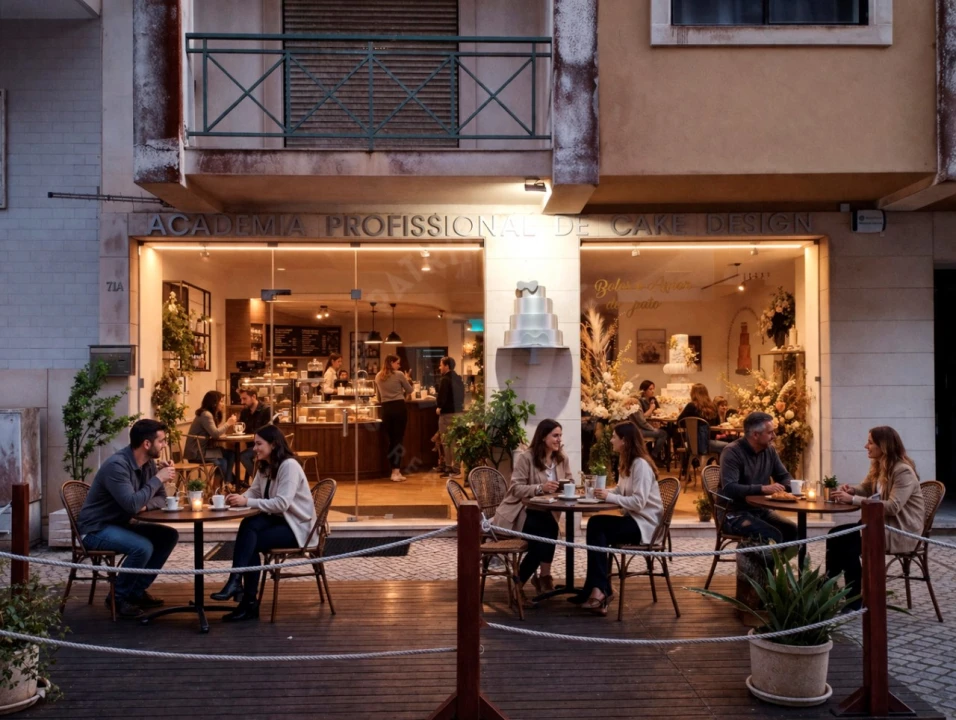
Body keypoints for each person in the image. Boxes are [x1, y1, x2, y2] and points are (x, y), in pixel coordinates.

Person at [211, 425, 317, 622]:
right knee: (249, 526)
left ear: (274, 444)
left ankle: (243, 595)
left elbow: (282, 503)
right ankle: (240, 590)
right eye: (254, 444)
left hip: (297, 527)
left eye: (259, 444)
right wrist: (238, 498)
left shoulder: (289, 466)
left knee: (249, 539)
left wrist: (247, 502)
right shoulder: (264, 466)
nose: (254, 448)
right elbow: (255, 492)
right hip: (278, 522)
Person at [76, 419, 179, 619]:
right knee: (142, 547)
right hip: (96, 528)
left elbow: (162, 498)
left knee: (168, 536)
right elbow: (132, 505)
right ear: (147, 444)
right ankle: (118, 597)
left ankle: (136, 592)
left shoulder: (147, 464)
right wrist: (158, 478)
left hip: (120, 524)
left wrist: (144, 502)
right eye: (162, 441)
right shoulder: (117, 466)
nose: (164, 445)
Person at [826, 427, 925, 611]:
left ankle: (852, 599)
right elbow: (866, 487)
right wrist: (852, 491)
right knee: (835, 534)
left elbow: (894, 507)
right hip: (878, 525)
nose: (866, 446)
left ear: (883, 446)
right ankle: (828, 589)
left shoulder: (902, 471)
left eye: (870, 442)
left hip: (899, 531)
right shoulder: (880, 465)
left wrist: (853, 499)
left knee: (847, 543)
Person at [577, 422, 663, 616]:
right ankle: (597, 589)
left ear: (624, 441)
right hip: (635, 520)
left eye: (614, 437)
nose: (611, 440)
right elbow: (621, 491)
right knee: (597, 525)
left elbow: (639, 502)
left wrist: (609, 497)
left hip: (644, 525)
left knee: (597, 525)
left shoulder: (640, 464)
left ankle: (598, 590)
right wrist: (604, 492)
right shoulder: (629, 462)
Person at [492, 419, 572, 606]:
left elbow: (570, 479)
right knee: (543, 538)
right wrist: (539, 488)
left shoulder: (561, 458)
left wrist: (566, 486)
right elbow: (516, 488)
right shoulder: (526, 458)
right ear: (543, 436)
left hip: (548, 511)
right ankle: (524, 583)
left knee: (549, 529)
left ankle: (539, 579)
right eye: (555, 435)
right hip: (523, 511)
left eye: (560, 435)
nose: (559, 440)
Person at [717, 411, 797, 544]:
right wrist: (763, 489)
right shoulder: (732, 452)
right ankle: (755, 563)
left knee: (791, 530)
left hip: (760, 510)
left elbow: (784, 476)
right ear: (755, 435)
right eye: (770, 432)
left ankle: (776, 564)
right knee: (772, 535)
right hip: (733, 514)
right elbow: (730, 488)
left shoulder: (769, 451)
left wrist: (787, 488)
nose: (774, 436)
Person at [184, 390, 237, 487]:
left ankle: (228, 482)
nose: (223, 404)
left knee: (231, 454)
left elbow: (213, 433)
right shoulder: (206, 415)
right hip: (197, 452)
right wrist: (228, 423)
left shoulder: (210, 414)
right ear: (213, 403)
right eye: (221, 401)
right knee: (222, 462)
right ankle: (216, 489)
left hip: (205, 450)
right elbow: (216, 434)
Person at [375, 354, 413, 482]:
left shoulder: (378, 376)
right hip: (398, 408)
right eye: (397, 363)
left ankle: (391, 469)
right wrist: (408, 379)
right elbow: (410, 390)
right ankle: (395, 471)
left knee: (391, 440)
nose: (399, 365)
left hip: (386, 409)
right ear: (391, 363)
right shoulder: (399, 375)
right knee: (398, 439)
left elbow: (379, 397)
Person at [435, 356, 464, 476]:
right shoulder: (459, 379)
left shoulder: (445, 379)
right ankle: (456, 468)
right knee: (456, 441)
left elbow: (443, 395)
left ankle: (448, 467)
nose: (439, 367)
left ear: (446, 366)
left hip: (447, 414)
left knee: (446, 441)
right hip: (459, 413)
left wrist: (439, 406)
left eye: (441, 365)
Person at [678, 382, 727, 455]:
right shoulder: (713, 406)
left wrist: (692, 427)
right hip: (708, 442)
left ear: (693, 393)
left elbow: (679, 422)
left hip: (693, 444)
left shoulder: (691, 406)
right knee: (730, 447)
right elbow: (717, 428)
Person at [237, 387, 272, 485]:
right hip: (251, 446)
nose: (242, 402)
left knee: (243, 456)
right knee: (233, 455)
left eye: (244, 399)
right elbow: (242, 428)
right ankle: (239, 483)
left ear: (253, 397)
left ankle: (260, 482)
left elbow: (269, 432)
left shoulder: (266, 410)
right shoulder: (245, 412)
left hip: (265, 445)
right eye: (241, 399)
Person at [626, 398, 668, 465]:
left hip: (635, 429)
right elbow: (642, 422)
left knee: (660, 432)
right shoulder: (635, 408)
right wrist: (652, 429)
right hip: (639, 431)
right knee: (663, 433)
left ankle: (654, 455)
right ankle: (654, 455)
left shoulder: (629, 408)